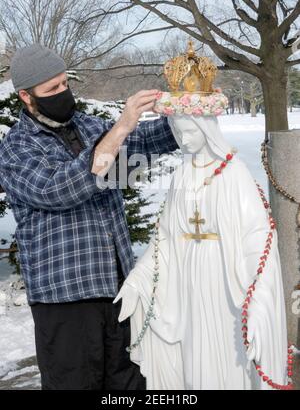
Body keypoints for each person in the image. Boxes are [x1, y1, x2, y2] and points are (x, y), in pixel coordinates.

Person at [0, 43, 179, 390]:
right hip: (66, 302)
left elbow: (135, 147)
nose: (63, 92)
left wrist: (187, 112)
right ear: (26, 96)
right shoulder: (17, 148)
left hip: (117, 291)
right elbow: (59, 189)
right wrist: (120, 127)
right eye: (52, 89)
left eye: (65, 83)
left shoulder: (86, 126)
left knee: (128, 385)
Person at [114, 111, 289, 390]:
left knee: (227, 355)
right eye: (179, 132)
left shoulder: (234, 173)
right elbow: (166, 238)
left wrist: (259, 298)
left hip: (223, 278)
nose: (184, 139)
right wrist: (139, 278)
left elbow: (257, 237)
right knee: (194, 358)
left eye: (190, 132)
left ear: (207, 129)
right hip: (188, 280)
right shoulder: (182, 175)